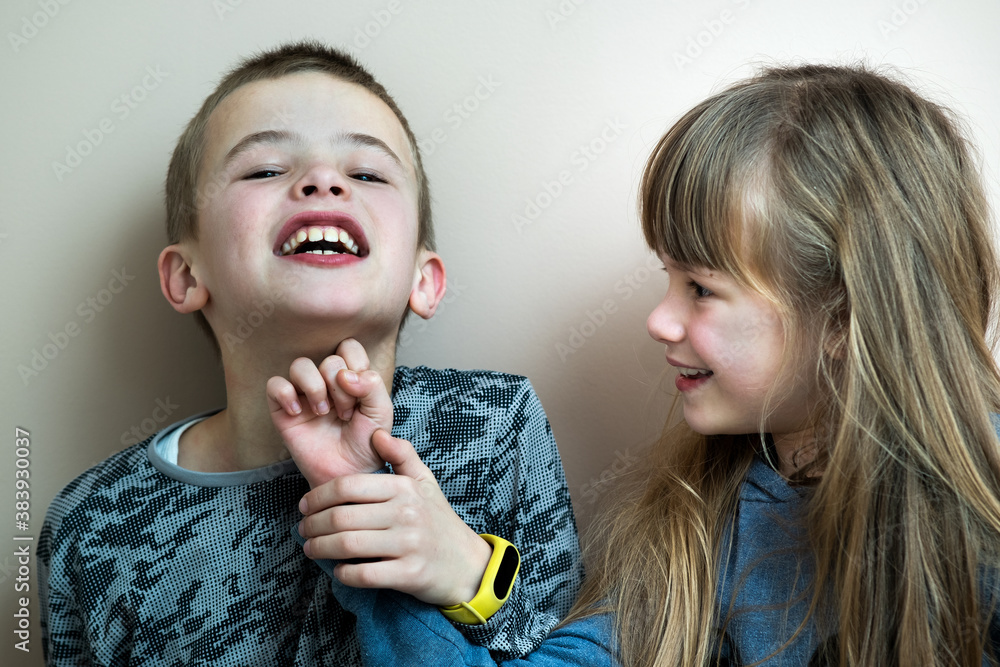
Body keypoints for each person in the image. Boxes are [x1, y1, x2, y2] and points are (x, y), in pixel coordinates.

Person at [306, 64, 1000, 665]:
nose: (658, 319)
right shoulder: (692, 523)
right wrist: (383, 534)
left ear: (844, 317)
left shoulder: (981, 523)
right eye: (668, 278)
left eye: (700, 288)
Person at [38, 41, 580, 666]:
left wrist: (469, 573)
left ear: (423, 280)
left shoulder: (492, 422)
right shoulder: (91, 526)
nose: (322, 182)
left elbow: (572, 645)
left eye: (368, 174)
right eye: (265, 169)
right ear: (186, 276)